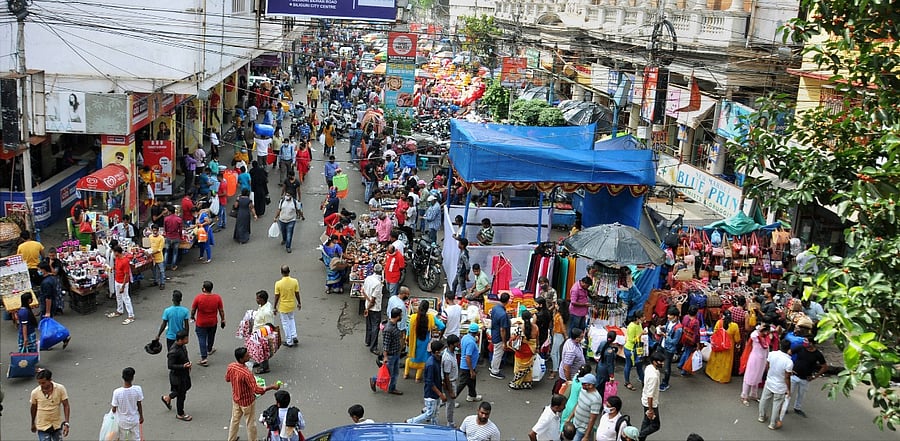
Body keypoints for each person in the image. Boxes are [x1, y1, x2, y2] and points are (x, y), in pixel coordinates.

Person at [226, 347, 281, 441]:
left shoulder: (231, 366)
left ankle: (231, 438)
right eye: (247, 355)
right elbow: (257, 390)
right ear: (241, 359)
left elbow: (227, 379)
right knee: (250, 422)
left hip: (236, 399)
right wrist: (272, 386)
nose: (249, 356)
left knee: (234, 420)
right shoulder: (247, 373)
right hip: (247, 401)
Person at [406, 340, 447, 425]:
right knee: (430, 413)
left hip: (435, 392)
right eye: (442, 349)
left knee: (435, 412)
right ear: (437, 352)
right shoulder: (431, 364)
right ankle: (411, 422)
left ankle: (435, 427)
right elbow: (430, 382)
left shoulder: (437, 360)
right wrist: (440, 394)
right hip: (431, 394)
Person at [405, 300, 446, 381]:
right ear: (427, 309)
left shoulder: (413, 317)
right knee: (423, 359)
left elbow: (409, 331)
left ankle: (406, 373)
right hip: (425, 342)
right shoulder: (431, 317)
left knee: (411, 357)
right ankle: (417, 377)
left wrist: (407, 340)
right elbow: (442, 326)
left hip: (414, 342)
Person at [788, 338, 828, 418]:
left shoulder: (818, 354)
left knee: (801, 394)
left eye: (806, 341)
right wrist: (789, 367)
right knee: (789, 393)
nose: (804, 342)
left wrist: (815, 376)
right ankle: (784, 408)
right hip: (794, 375)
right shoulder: (800, 347)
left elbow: (824, 367)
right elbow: (789, 353)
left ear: (812, 343)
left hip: (805, 378)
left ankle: (797, 408)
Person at [759, 339, 793, 430]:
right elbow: (787, 377)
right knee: (777, 404)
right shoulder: (789, 362)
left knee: (764, 399)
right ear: (789, 349)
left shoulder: (772, 354)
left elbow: (768, 366)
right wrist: (788, 389)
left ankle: (761, 416)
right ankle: (772, 424)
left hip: (769, 381)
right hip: (780, 386)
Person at [370, 307, 404, 395]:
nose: (401, 317)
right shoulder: (388, 329)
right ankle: (374, 379)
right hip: (391, 356)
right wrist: (385, 357)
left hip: (396, 353)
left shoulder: (394, 324)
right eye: (400, 315)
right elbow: (386, 345)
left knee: (395, 372)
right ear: (397, 317)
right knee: (387, 373)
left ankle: (392, 388)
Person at [190, 280, 226, 366]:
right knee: (211, 336)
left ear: (204, 289)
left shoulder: (198, 298)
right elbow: (221, 310)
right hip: (212, 322)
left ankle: (204, 358)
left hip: (201, 323)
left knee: (202, 339)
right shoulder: (217, 298)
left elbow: (193, 310)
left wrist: (192, 316)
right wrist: (223, 319)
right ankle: (209, 349)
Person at [30, 369, 70, 440]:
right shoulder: (35, 393)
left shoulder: (60, 389)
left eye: (43, 383)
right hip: (42, 426)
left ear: (50, 380)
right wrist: (33, 423)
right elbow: (33, 408)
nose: (41, 385)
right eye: (39, 383)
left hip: (56, 425)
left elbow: (66, 405)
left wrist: (66, 423)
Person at [162, 329, 192, 421]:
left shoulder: (182, 346)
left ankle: (168, 398)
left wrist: (188, 365)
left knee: (186, 387)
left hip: (184, 373)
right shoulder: (173, 351)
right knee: (181, 395)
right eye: (186, 338)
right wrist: (183, 366)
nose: (188, 340)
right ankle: (180, 413)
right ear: (180, 339)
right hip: (177, 376)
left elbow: (185, 356)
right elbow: (170, 365)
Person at [707, 310, 742, 383]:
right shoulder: (734, 326)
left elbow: (715, 333)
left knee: (716, 360)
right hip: (728, 347)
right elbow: (737, 339)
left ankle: (712, 374)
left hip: (719, 345)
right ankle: (722, 378)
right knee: (725, 363)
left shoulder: (719, 323)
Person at [564, 373, 602, 441]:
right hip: (575, 423)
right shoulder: (582, 390)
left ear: (590, 385)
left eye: (584, 383)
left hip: (582, 429)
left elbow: (592, 419)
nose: (582, 385)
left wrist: (586, 436)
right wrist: (569, 418)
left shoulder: (596, 399)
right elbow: (578, 404)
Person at [110, 367, 143, 441]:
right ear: (132, 377)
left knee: (124, 438)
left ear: (122, 377)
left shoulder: (117, 392)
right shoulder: (137, 389)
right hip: (134, 419)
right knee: (137, 437)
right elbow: (139, 404)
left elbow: (114, 408)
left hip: (122, 421)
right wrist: (141, 416)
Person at [741, 324, 771, 405]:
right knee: (749, 378)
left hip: (762, 361)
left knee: (758, 377)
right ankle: (744, 396)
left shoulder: (765, 339)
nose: (766, 333)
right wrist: (759, 330)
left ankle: (754, 394)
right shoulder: (756, 337)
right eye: (765, 331)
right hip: (754, 360)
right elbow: (753, 335)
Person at [509, 310, 539, 390]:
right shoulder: (536, 327)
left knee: (519, 368)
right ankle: (527, 383)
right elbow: (537, 339)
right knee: (528, 369)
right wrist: (537, 348)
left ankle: (517, 383)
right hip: (531, 350)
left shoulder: (520, 328)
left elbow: (513, 338)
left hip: (521, 351)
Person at [639, 352, 665, 441]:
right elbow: (650, 396)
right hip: (651, 404)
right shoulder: (653, 376)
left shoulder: (649, 368)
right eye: (660, 362)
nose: (662, 363)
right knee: (655, 425)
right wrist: (650, 410)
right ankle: (638, 437)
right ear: (654, 362)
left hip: (645, 399)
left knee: (646, 422)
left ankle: (640, 438)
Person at [274, 265, 302, 347]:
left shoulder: (278, 283)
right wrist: (299, 303)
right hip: (291, 305)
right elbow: (297, 293)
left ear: (281, 273)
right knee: (291, 320)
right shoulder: (295, 281)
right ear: (289, 271)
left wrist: (275, 307)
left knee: (285, 323)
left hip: (283, 306)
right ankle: (294, 335)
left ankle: (289, 341)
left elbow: (277, 296)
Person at [108, 246, 136, 325]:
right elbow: (116, 267)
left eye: (114, 252)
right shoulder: (117, 258)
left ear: (117, 252)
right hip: (117, 280)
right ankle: (119, 310)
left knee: (126, 298)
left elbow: (126, 275)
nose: (113, 253)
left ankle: (131, 315)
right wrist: (112, 268)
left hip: (123, 282)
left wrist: (123, 287)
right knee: (118, 296)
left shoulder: (125, 261)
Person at [487, 292, 511, 380]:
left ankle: (493, 366)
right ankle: (495, 371)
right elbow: (502, 330)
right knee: (498, 353)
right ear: (507, 301)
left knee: (496, 352)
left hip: (494, 333)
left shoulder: (495, 308)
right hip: (499, 336)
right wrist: (504, 342)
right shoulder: (503, 314)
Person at [251, 290, 276, 374]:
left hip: (262, 334)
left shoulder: (266, 312)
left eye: (257, 298)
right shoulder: (263, 305)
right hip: (257, 332)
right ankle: (259, 361)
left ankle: (265, 367)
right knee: (258, 350)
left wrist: (263, 338)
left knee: (263, 350)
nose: (256, 299)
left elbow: (269, 325)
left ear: (262, 299)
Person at [658, 307, 682, 392]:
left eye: (670, 316)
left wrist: (665, 336)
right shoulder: (669, 322)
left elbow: (674, 341)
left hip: (669, 349)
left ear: (675, 317)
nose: (668, 317)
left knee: (667, 367)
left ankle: (665, 383)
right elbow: (667, 327)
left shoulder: (679, 328)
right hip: (662, 345)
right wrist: (662, 327)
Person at [457, 323, 483, 403]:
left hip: (468, 365)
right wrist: (471, 370)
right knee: (462, 384)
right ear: (477, 332)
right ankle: (451, 398)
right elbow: (468, 357)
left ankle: (472, 395)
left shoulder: (465, 337)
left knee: (472, 381)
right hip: (467, 367)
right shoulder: (471, 342)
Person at [556, 328, 586, 394]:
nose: (583, 338)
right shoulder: (571, 351)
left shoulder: (571, 341)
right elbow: (566, 368)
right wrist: (569, 382)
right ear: (576, 338)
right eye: (581, 337)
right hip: (570, 377)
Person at [363, 264, 384, 354]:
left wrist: (367, 306)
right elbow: (373, 300)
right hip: (374, 308)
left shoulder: (368, 278)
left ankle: (368, 341)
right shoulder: (378, 284)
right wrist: (368, 308)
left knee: (369, 325)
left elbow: (363, 291)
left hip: (367, 305)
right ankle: (373, 347)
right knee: (375, 327)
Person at [442, 334, 461, 427]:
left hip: (453, 381)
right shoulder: (447, 359)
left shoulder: (452, 352)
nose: (458, 344)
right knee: (450, 404)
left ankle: (429, 408)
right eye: (457, 343)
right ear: (451, 345)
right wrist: (451, 391)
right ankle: (450, 423)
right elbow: (446, 376)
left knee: (445, 401)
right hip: (450, 382)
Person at [623, 315, 646, 391]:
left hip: (638, 348)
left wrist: (643, 333)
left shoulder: (639, 324)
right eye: (642, 317)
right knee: (628, 366)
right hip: (630, 349)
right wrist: (641, 334)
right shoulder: (631, 326)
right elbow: (632, 340)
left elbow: (639, 334)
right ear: (637, 318)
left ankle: (643, 381)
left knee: (639, 365)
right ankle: (627, 382)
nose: (644, 319)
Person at [677, 306, 701, 376]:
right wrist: (698, 344)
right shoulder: (696, 322)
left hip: (684, 337)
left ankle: (680, 364)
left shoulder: (685, 317)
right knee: (688, 354)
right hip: (690, 340)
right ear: (696, 313)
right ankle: (685, 370)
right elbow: (696, 334)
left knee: (685, 351)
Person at [163, 205, 183, 271]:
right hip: (176, 237)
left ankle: (164, 266)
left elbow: (165, 229)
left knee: (166, 252)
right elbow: (180, 230)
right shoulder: (179, 219)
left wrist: (167, 234)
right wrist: (180, 236)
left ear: (169, 211)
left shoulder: (166, 219)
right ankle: (173, 266)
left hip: (168, 237)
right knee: (175, 252)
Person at [147, 225, 166, 290]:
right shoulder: (150, 237)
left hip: (159, 257)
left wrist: (150, 253)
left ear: (158, 231)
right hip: (152, 258)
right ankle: (155, 281)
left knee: (161, 271)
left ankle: (162, 283)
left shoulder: (161, 238)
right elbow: (150, 246)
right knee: (154, 270)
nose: (155, 232)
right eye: (153, 230)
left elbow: (159, 249)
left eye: (156, 230)